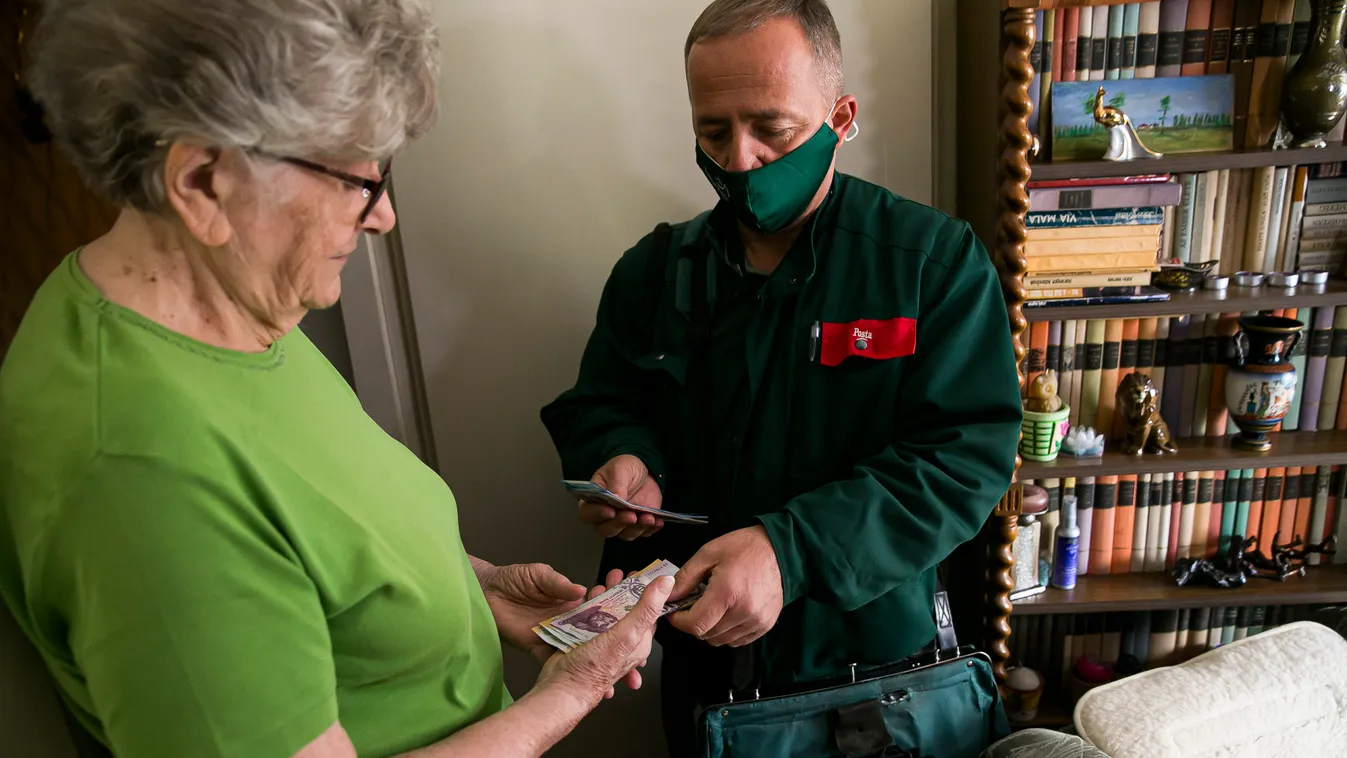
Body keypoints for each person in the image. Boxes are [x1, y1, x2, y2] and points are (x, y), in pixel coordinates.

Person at [0, 1, 671, 756]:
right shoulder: (141, 475)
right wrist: (574, 688)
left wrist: (470, 590)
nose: (380, 215)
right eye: (356, 178)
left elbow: (309, 549)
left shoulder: (233, 306)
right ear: (203, 183)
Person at [539, 0, 1022, 752]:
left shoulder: (932, 263)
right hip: (709, 677)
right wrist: (622, 460)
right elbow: (602, 403)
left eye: (773, 128)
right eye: (712, 129)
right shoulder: (650, 274)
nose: (738, 158)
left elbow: (964, 458)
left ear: (840, 115)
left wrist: (789, 551)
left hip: (880, 675)